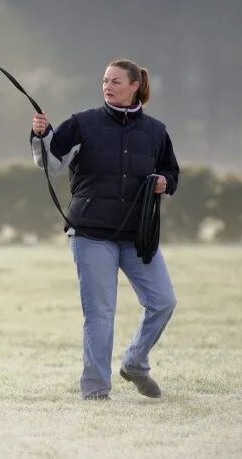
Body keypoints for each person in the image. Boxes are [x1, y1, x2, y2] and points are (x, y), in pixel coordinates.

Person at [30, 59, 179, 400]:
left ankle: (135, 363)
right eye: (104, 81)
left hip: (137, 235)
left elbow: (172, 173)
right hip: (91, 233)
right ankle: (96, 389)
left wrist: (163, 183)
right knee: (100, 314)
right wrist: (41, 135)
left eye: (115, 81)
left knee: (163, 301)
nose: (107, 86)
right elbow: (51, 164)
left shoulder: (156, 131)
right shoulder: (82, 123)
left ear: (134, 86)